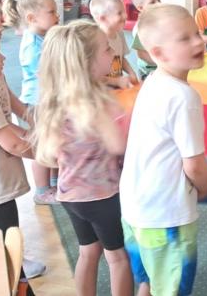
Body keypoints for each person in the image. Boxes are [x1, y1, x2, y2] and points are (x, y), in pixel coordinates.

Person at [34, 20, 133, 296]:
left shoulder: (55, 101)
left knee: (88, 252)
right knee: (118, 258)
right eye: (106, 49)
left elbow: (51, 154)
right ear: (86, 63)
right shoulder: (96, 104)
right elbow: (118, 145)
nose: (113, 51)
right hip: (102, 196)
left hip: (70, 195)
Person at [120, 4, 207, 296]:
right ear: (158, 53)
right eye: (184, 39)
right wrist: (205, 187)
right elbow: (193, 163)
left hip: (135, 208)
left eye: (196, 33)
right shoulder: (184, 97)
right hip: (166, 216)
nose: (198, 42)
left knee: (147, 282)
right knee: (170, 288)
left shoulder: (153, 82)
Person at [4, 0, 60, 206]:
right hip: (38, 102)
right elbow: (44, 73)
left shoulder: (43, 37)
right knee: (42, 145)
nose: (57, 16)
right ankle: (42, 191)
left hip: (49, 99)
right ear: (31, 18)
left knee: (54, 142)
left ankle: (54, 182)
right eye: (51, 12)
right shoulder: (32, 44)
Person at [0, 17, 41, 284]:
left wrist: (34, 125)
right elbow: (10, 142)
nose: (4, 57)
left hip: (2, 183)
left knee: (9, 239)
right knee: (6, 241)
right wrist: (53, 156)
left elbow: (10, 109)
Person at [90, 0, 139, 89]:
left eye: (124, 11)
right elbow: (91, 75)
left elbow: (120, 58)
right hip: (101, 89)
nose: (125, 16)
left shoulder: (119, 33)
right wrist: (116, 81)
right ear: (103, 18)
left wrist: (132, 73)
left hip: (118, 85)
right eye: (119, 13)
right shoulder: (95, 40)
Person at [129, 0, 161, 80]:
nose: (158, 4)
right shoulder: (141, 27)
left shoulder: (158, 21)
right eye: (152, 2)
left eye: (159, 0)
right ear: (140, 8)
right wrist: (163, 63)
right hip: (149, 71)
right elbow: (142, 54)